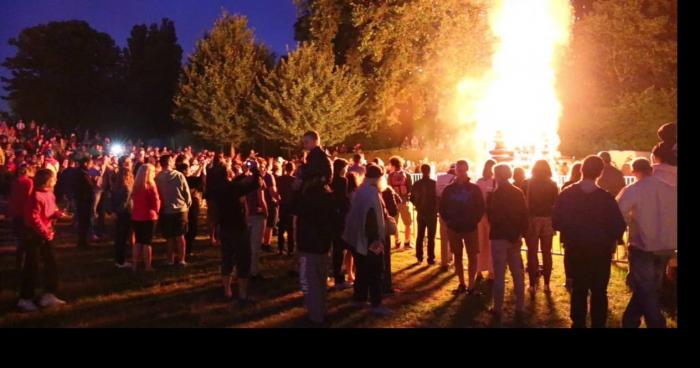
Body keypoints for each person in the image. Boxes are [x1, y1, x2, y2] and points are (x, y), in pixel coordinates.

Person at [552, 155, 627, 328]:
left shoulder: (567, 194)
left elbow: (556, 222)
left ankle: (578, 322)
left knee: (579, 288)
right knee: (599, 290)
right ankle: (598, 323)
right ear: (599, 173)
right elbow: (618, 226)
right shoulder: (605, 198)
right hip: (600, 249)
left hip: (576, 247)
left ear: (581, 170)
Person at [617, 158, 676, 328]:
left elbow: (619, 212)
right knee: (650, 288)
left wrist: (630, 225)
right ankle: (630, 320)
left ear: (635, 172)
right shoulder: (670, 189)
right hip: (665, 245)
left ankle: (655, 323)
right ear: (650, 169)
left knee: (646, 289)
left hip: (643, 245)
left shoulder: (633, 189)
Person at [343, 164, 392, 316]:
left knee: (362, 271)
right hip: (369, 239)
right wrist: (375, 241)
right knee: (375, 272)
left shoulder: (361, 190)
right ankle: (376, 304)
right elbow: (372, 218)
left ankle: (359, 297)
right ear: (379, 178)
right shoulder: (372, 194)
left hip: (357, 238)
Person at [295, 148, 335, 325]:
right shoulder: (327, 190)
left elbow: (295, 209)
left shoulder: (308, 192)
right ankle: (322, 312)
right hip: (323, 241)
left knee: (310, 281)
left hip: (309, 241)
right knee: (320, 279)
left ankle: (315, 317)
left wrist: (296, 191)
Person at [18, 169, 65, 312]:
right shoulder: (35, 196)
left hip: (47, 233)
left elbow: (49, 211)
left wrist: (57, 214)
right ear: (48, 180)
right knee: (32, 266)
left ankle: (49, 294)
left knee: (52, 263)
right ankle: (25, 298)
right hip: (34, 235)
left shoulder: (49, 194)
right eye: (54, 178)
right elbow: (33, 218)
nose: (56, 180)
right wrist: (44, 232)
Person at [487, 164, 528, 322]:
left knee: (499, 274)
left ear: (497, 175)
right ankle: (520, 306)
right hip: (514, 237)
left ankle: (498, 308)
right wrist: (519, 233)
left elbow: (494, 217)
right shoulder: (518, 192)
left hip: (499, 237)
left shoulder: (496, 194)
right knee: (517, 273)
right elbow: (524, 215)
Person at [217, 162, 262, 303]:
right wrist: (255, 170)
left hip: (224, 227)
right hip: (238, 228)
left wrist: (242, 174)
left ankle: (227, 291)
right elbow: (256, 184)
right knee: (243, 260)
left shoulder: (218, 187)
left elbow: (234, 183)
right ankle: (242, 294)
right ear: (227, 174)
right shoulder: (234, 188)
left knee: (226, 259)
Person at [439, 160, 485, 295]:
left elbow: (480, 207)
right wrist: (449, 221)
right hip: (454, 227)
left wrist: (474, 220)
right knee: (457, 256)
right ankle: (462, 283)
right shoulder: (449, 189)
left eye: (463, 170)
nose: (461, 173)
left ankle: (471, 284)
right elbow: (442, 208)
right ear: (456, 171)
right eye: (459, 170)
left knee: (472, 256)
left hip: (470, 227)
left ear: (467, 170)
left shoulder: (474, 188)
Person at [524, 160, 559, 294]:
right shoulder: (553, 184)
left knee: (532, 252)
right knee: (547, 252)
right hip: (548, 219)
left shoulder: (528, 183)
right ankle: (546, 284)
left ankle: (532, 284)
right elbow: (556, 203)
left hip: (532, 218)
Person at [155, 154, 192, 266]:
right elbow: (186, 192)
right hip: (180, 209)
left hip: (166, 210)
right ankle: (181, 259)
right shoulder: (179, 175)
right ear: (170, 162)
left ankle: (170, 260)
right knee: (180, 235)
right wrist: (188, 204)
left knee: (169, 237)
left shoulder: (157, 178)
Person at [131, 164, 160, 272]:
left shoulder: (136, 186)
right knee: (147, 242)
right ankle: (148, 266)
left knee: (138, 241)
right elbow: (156, 203)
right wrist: (157, 212)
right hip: (149, 216)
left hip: (136, 216)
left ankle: (134, 266)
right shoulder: (151, 187)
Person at [330, 158, 353, 290]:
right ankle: (339, 278)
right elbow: (343, 199)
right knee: (340, 248)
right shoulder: (343, 181)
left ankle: (337, 275)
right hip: (340, 217)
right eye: (345, 167)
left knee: (335, 249)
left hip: (332, 216)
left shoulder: (330, 180)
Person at [7, 163, 33, 273]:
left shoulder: (14, 182)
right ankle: (24, 264)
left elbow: (12, 197)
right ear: (26, 172)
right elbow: (30, 197)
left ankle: (18, 264)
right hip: (25, 213)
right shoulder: (29, 182)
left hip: (16, 213)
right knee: (26, 239)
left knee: (18, 239)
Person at [410, 164, 438, 265]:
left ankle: (419, 256)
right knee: (431, 236)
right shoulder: (434, 183)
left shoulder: (417, 184)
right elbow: (437, 198)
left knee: (420, 235)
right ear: (429, 171)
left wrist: (417, 205)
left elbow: (412, 198)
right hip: (431, 212)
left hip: (421, 212)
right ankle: (430, 258)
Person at [245, 162, 268, 280]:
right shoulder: (259, 181)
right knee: (255, 244)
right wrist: (266, 212)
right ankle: (254, 271)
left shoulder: (245, 180)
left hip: (247, 214)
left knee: (247, 244)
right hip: (257, 214)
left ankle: (244, 269)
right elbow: (261, 198)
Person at [476, 159, 497, 283]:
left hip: (481, 215)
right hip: (489, 216)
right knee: (489, 243)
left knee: (481, 242)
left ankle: (479, 270)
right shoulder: (494, 182)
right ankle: (490, 271)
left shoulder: (479, 182)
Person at [111, 156, 134, 269]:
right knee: (123, 237)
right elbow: (125, 202)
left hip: (119, 212)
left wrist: (114, 211)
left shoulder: (117, 183)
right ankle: (121, 261)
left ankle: (119, 260)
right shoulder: (127, 186)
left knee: (120, 237)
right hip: (125, 213)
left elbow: (114, 198)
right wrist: (119, 211)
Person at [388, 156, 413, 249]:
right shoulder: (407, 175)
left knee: (395, 222)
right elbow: (410, 188)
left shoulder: (390, 176)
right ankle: (407, 241)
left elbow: (388, 188)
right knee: (407, 223)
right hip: (404, 201)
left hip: (394, 202)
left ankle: (397, 241)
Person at [436, 163, 456, 270]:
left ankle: (444, 262)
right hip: (453, 212)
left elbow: (436, 194)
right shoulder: (455, 179)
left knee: (443, 237)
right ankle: (452, 256)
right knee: (454, 236)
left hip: (442, 210)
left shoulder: (439, 178)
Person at [205, 153, 227, 246]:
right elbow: (225, 182)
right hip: (220, 195)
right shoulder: (223, 170)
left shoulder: (209, 170)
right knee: (219, 218)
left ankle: (212, 238)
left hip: (211, 195)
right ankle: (218, 239)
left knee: (212, 218)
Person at [73, 156, 94, 249]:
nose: (91, 165)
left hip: (83, 201)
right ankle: (82, 242)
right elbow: (85, 188)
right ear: (85, 163)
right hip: (83, 202)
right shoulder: (81, 174)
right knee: (83, 222)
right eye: (90, 163)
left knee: (84, 222)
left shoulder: (83, 172)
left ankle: (83, 241)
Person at [276, 161, 297, 256]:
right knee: (290, 229)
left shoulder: (279, 179)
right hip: (291, 205)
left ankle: (280, 248)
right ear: (293, 169)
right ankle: (290, 249)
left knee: (281, 228)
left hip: (282, 204)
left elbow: (278, 191)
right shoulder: (294, 180)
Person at [261, 161, 279, 253]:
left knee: (263, 224)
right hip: (270, 202)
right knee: (270, 224)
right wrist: (278, 199)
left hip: (259, 203)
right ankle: (266, 244)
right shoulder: (269, 176)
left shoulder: (253, 176)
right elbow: (272, 190)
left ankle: (261, 242)